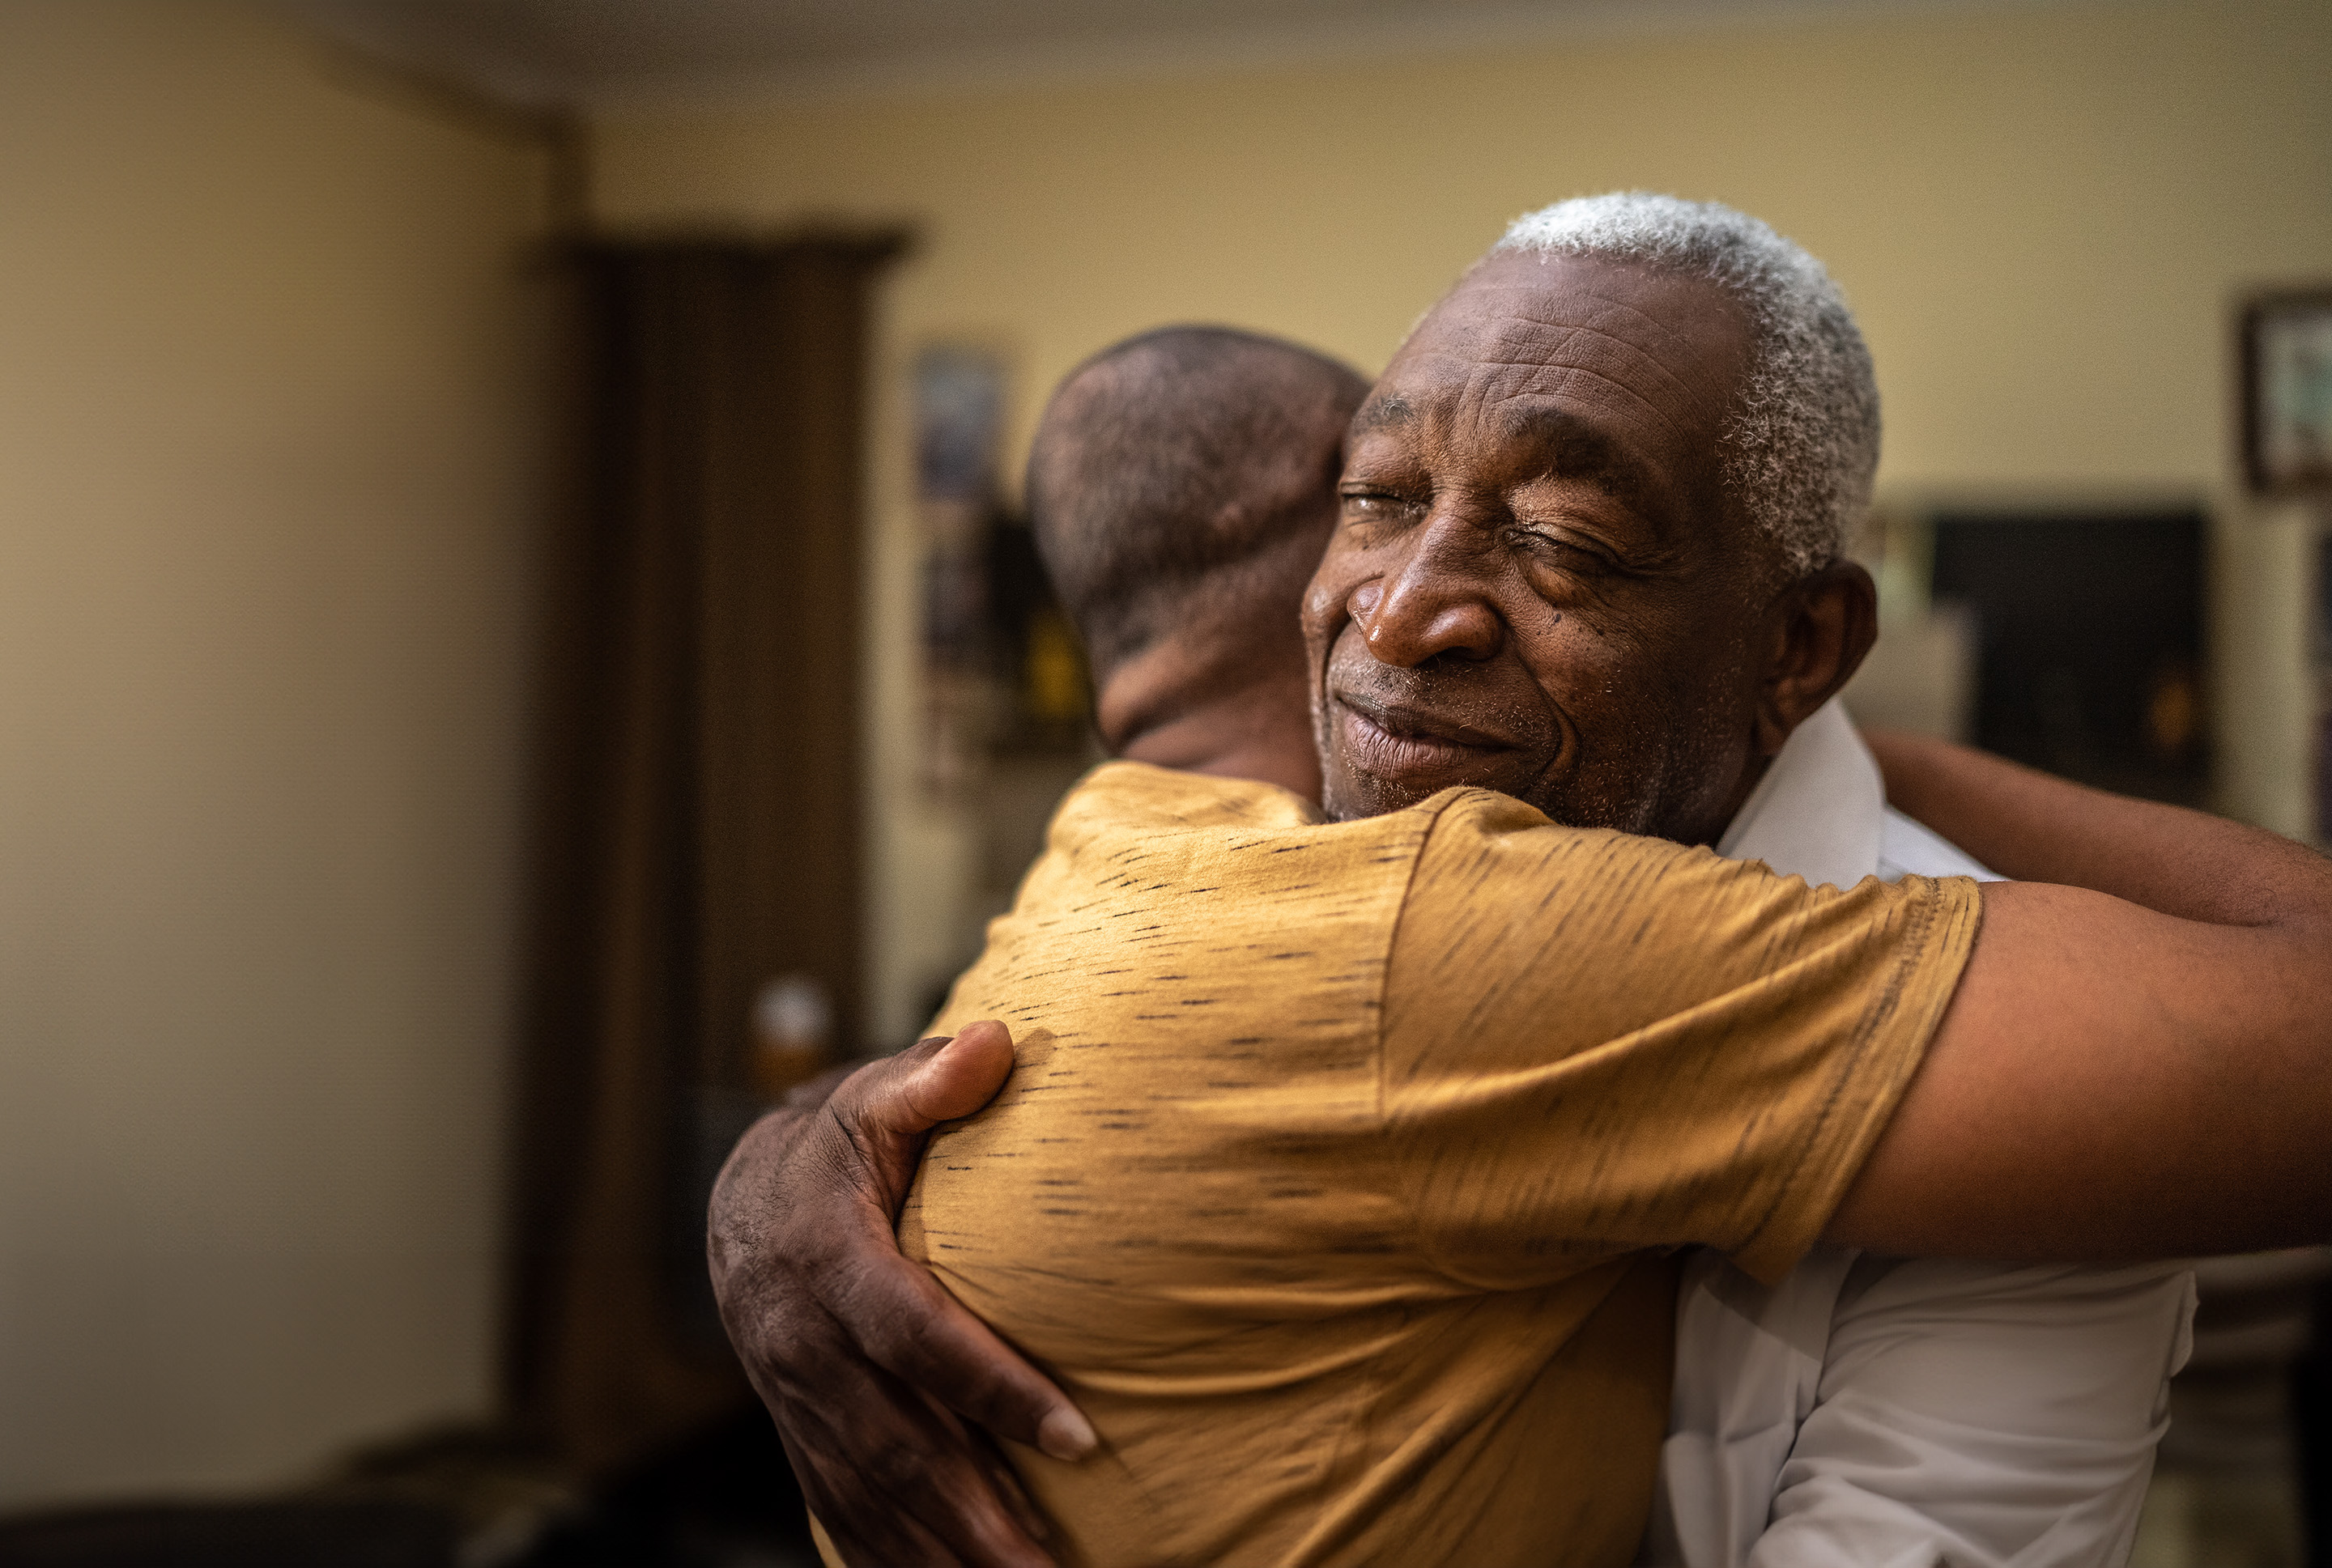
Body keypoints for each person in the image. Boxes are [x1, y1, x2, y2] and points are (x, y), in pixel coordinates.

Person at [714, 198, 2332, 1566]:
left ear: (1798, 647)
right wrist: (784, 1162)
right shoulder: (1303, 884)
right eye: (1380, 499)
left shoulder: (2040, 1075)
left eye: (1564, 534)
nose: (1407, 610)